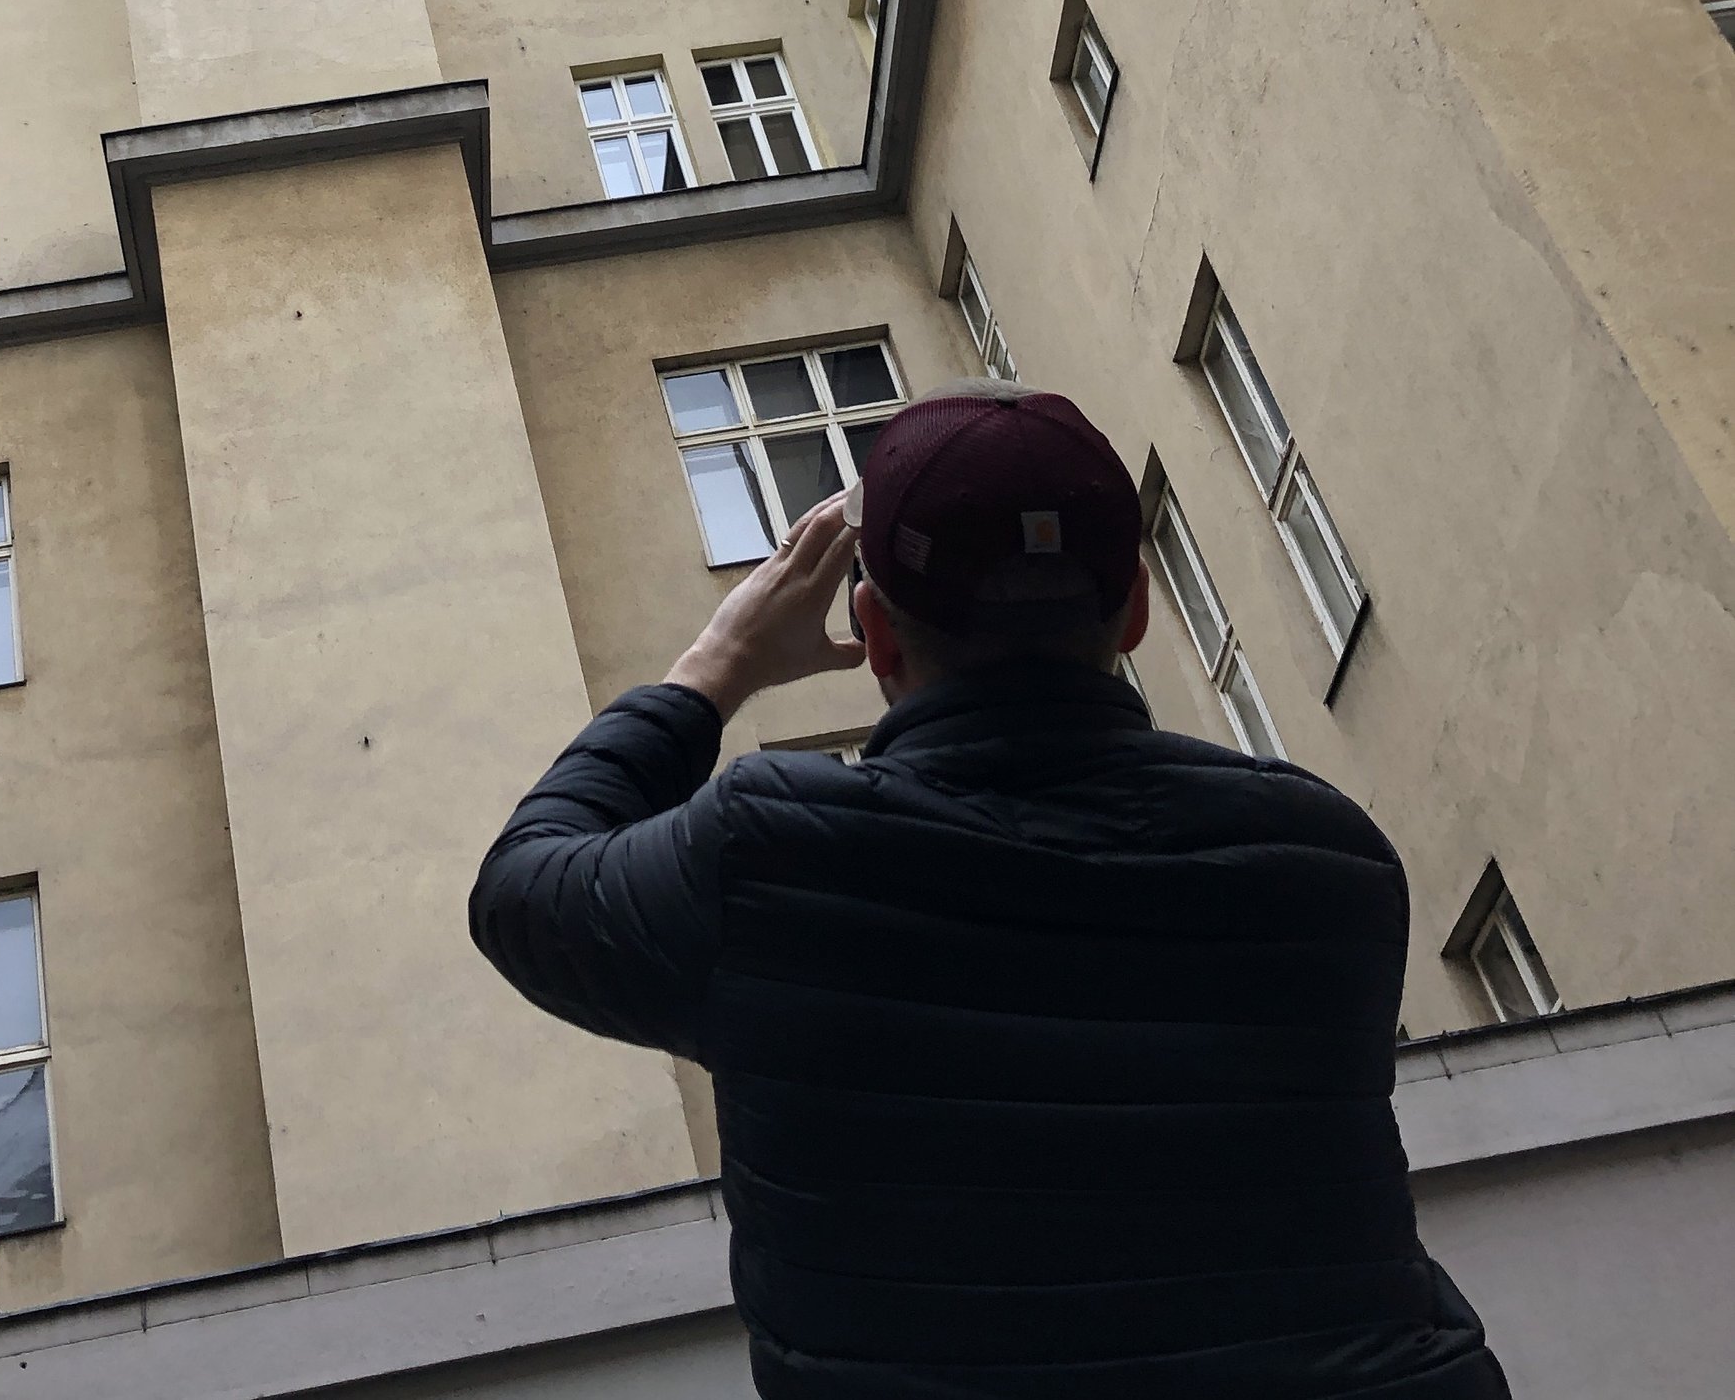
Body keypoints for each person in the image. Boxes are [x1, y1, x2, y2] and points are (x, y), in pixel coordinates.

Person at [470, 380, 1507, 1399]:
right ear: (1135, 607)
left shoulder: (773, 861)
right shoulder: (1327, 862)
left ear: (875, 635)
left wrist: (716, 663)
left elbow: (523, 887)